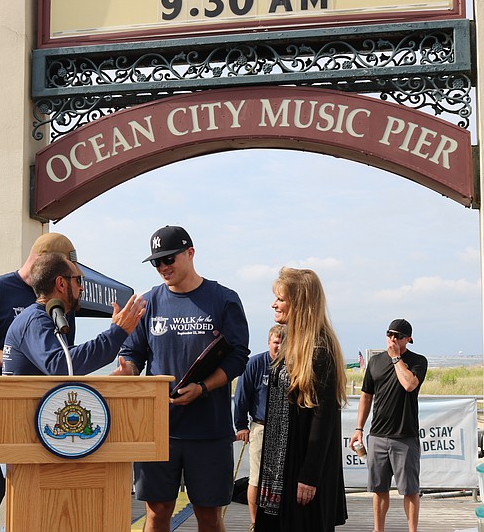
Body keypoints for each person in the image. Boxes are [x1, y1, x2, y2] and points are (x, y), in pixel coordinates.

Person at [112, 225, 250, 532]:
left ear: (190, 253)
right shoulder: (148, 303)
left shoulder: (224, 299)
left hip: (209, 431)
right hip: (158, 429)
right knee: (157, 512)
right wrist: (128, 371)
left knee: (209, 515)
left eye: (169, 259)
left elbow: (238, 356)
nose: (163, 267)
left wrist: (203, 387)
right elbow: (132, 354)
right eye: (157, 262)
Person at [0, 232, 81, 532]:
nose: (72, 278)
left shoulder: (61, 299)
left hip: (43, 415)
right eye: (67, 269)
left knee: (39, 501)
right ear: (44, 260)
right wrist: (12, 357)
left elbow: (62, 358)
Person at [255, 267, 348, 532]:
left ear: (300, 303)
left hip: (300, 472)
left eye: (281, 299)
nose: (274, 304)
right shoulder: (291, 344)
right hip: (279, 468)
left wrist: (309, 475)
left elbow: (324, 418)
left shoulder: (319, 349)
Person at [2, 252, 145, 375]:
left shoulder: (46, 318)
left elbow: (67, 364)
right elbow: (61, 366)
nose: (81, 287)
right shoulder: (35, 320)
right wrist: (116, 334)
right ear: (61, 284)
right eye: (78, 280)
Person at [349, 318, 428, 532]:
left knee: (410, 489)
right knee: (379, 488)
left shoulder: (418, 361)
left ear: (408, 339)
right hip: (377, 436)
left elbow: (409, 384)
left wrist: (396, 359)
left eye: (398, 336)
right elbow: (366, 397)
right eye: (389, 334)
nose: (392, 339)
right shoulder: (375, 362)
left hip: (405, 435)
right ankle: (378, 529)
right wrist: (358, 429)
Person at [233, 324, 284, 528]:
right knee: (256, 477)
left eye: (284, 343)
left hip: (284, 430)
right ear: (269, 342)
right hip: (260, 427)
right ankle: (256, 522)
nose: (280, 347)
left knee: (280, 478)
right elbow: (241, 397)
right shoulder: (255, 364)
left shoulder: (293, 364)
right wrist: (241, 425)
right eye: (276, 343)